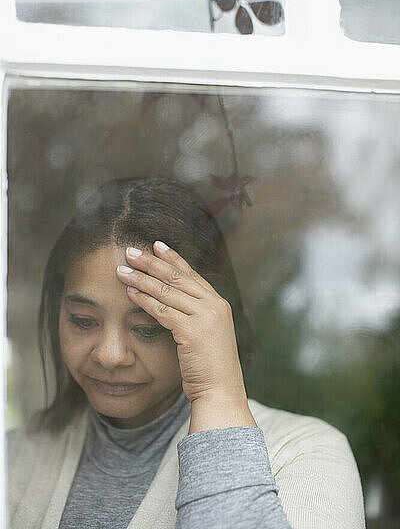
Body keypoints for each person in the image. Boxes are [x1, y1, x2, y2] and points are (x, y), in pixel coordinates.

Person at [7, 176, 366, 529]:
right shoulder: (14, 459)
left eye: (149, 327)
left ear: (209, 322)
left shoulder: (305, 454)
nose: (110, 355)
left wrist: (217, 394)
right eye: (83, 321)